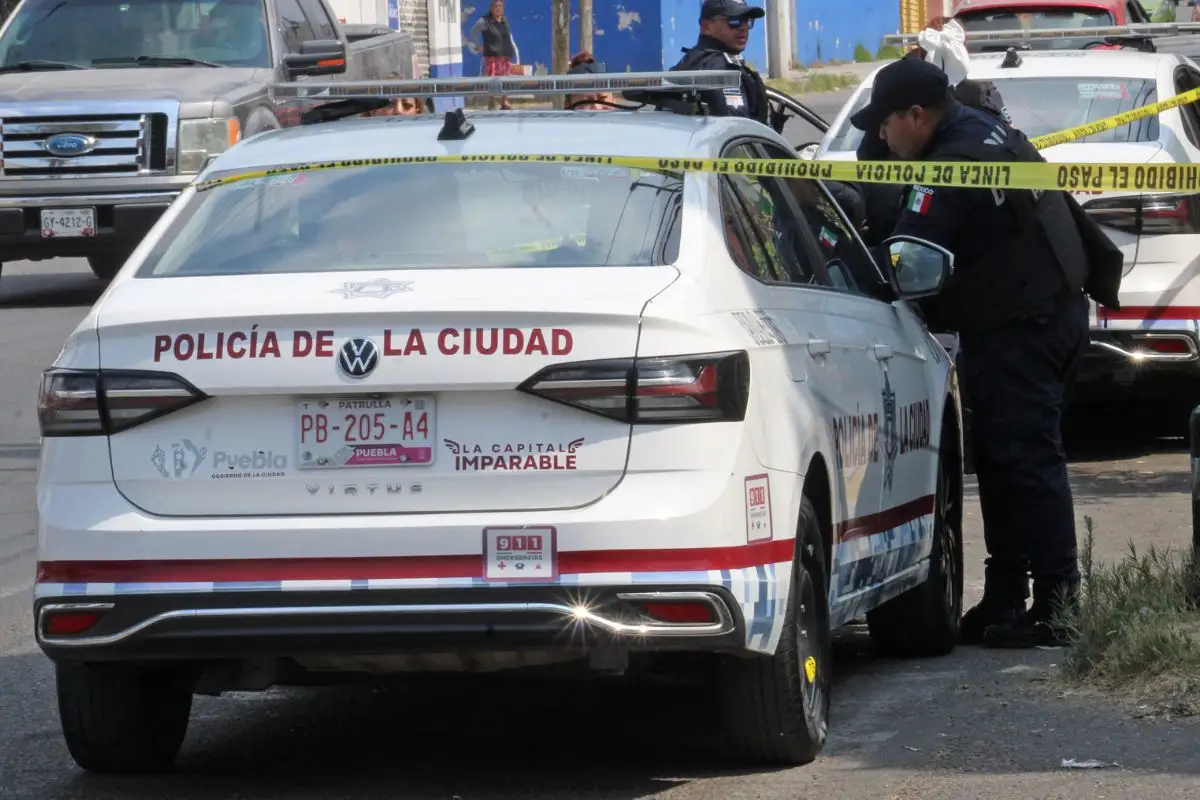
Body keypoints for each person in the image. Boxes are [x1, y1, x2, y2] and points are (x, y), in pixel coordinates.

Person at [849, 57, 1094, 649]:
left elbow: (910, 259)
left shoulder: (953, 163)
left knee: (1028, 461)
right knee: (1004, 460)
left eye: (885, 124)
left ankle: (1058, 604)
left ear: (915, 115)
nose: (879, 137)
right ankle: (1008, 595)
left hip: (1024, 325)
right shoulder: (980, 126)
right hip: (1037, 312)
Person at [670, 0, 786, 132]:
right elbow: (740, 132)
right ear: (706, 26)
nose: (743, 27)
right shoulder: (720, 70)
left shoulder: (691, 61)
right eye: (734, 20)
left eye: (747, 20)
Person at [467, 0, 519, 110]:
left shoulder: (504, 20)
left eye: (500, 6)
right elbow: (473, 32)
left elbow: (508, 35)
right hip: (492, 56)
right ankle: (491, 102)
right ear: (491, 8)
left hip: (505, 55)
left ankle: (504, 102)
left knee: (506, 79)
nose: (498, 8)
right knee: (492, 80)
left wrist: (513, 48)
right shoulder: (485, 21)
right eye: (496, 6)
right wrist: (478, 45)